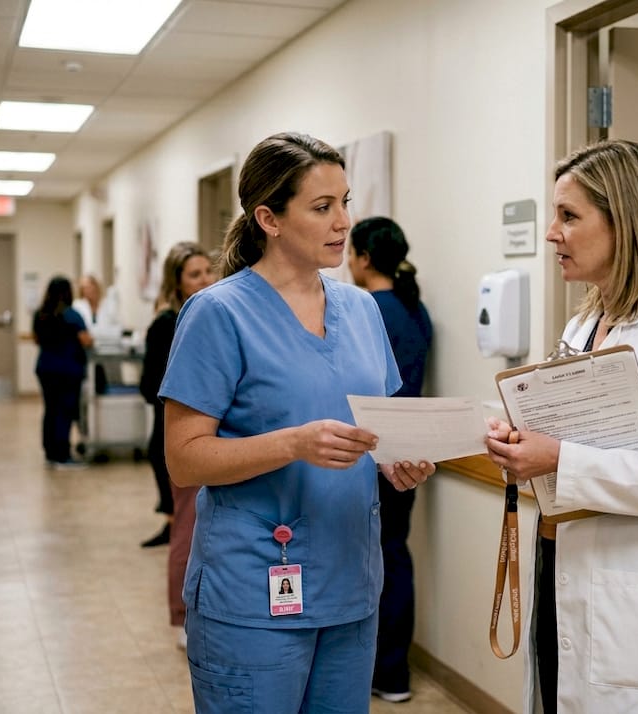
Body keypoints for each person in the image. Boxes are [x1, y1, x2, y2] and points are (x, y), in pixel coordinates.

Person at [160, 132, 436, 713]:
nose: (343, 222)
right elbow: (184, 459)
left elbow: (376, 430)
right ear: (269, 219)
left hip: (351, 585)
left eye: (345, 202)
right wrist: (291, 444)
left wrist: (396, 463)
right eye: (322, 206)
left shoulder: (361, 309)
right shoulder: (217, 313)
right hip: (253, 591)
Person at [484, 140, 638, 713]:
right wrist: (520, 442)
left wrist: (557, 458)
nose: (552, 233)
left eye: (569, 216)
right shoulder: (584, 326)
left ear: (625, 221)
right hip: (561, 572)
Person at [348, 216, 433, 704]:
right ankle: (393, 672)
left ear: (363, 258)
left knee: (374, 560)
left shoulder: (366, 310)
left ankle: (376, 668)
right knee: (395, 553)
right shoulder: (414, 309)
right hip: (409, 449)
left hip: (375, 452)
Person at [138, 243, 217, 650]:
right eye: (194, 274)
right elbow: (150, 386)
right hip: (178, 442)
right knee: (184, 530)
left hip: (210, 442)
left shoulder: (210, 317)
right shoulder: (168, 324)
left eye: (208, 271)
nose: (205, 280)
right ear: (177, 282)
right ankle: (180, 616)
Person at [33, 276, 93, 470]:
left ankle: (50, 452)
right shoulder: (72, 315)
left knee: (50, 409)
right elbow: (86, 340)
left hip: (45, 368)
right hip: (67, 370)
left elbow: (36, 339)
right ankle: (62, 455)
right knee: (64, 412)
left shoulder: (40, 314)